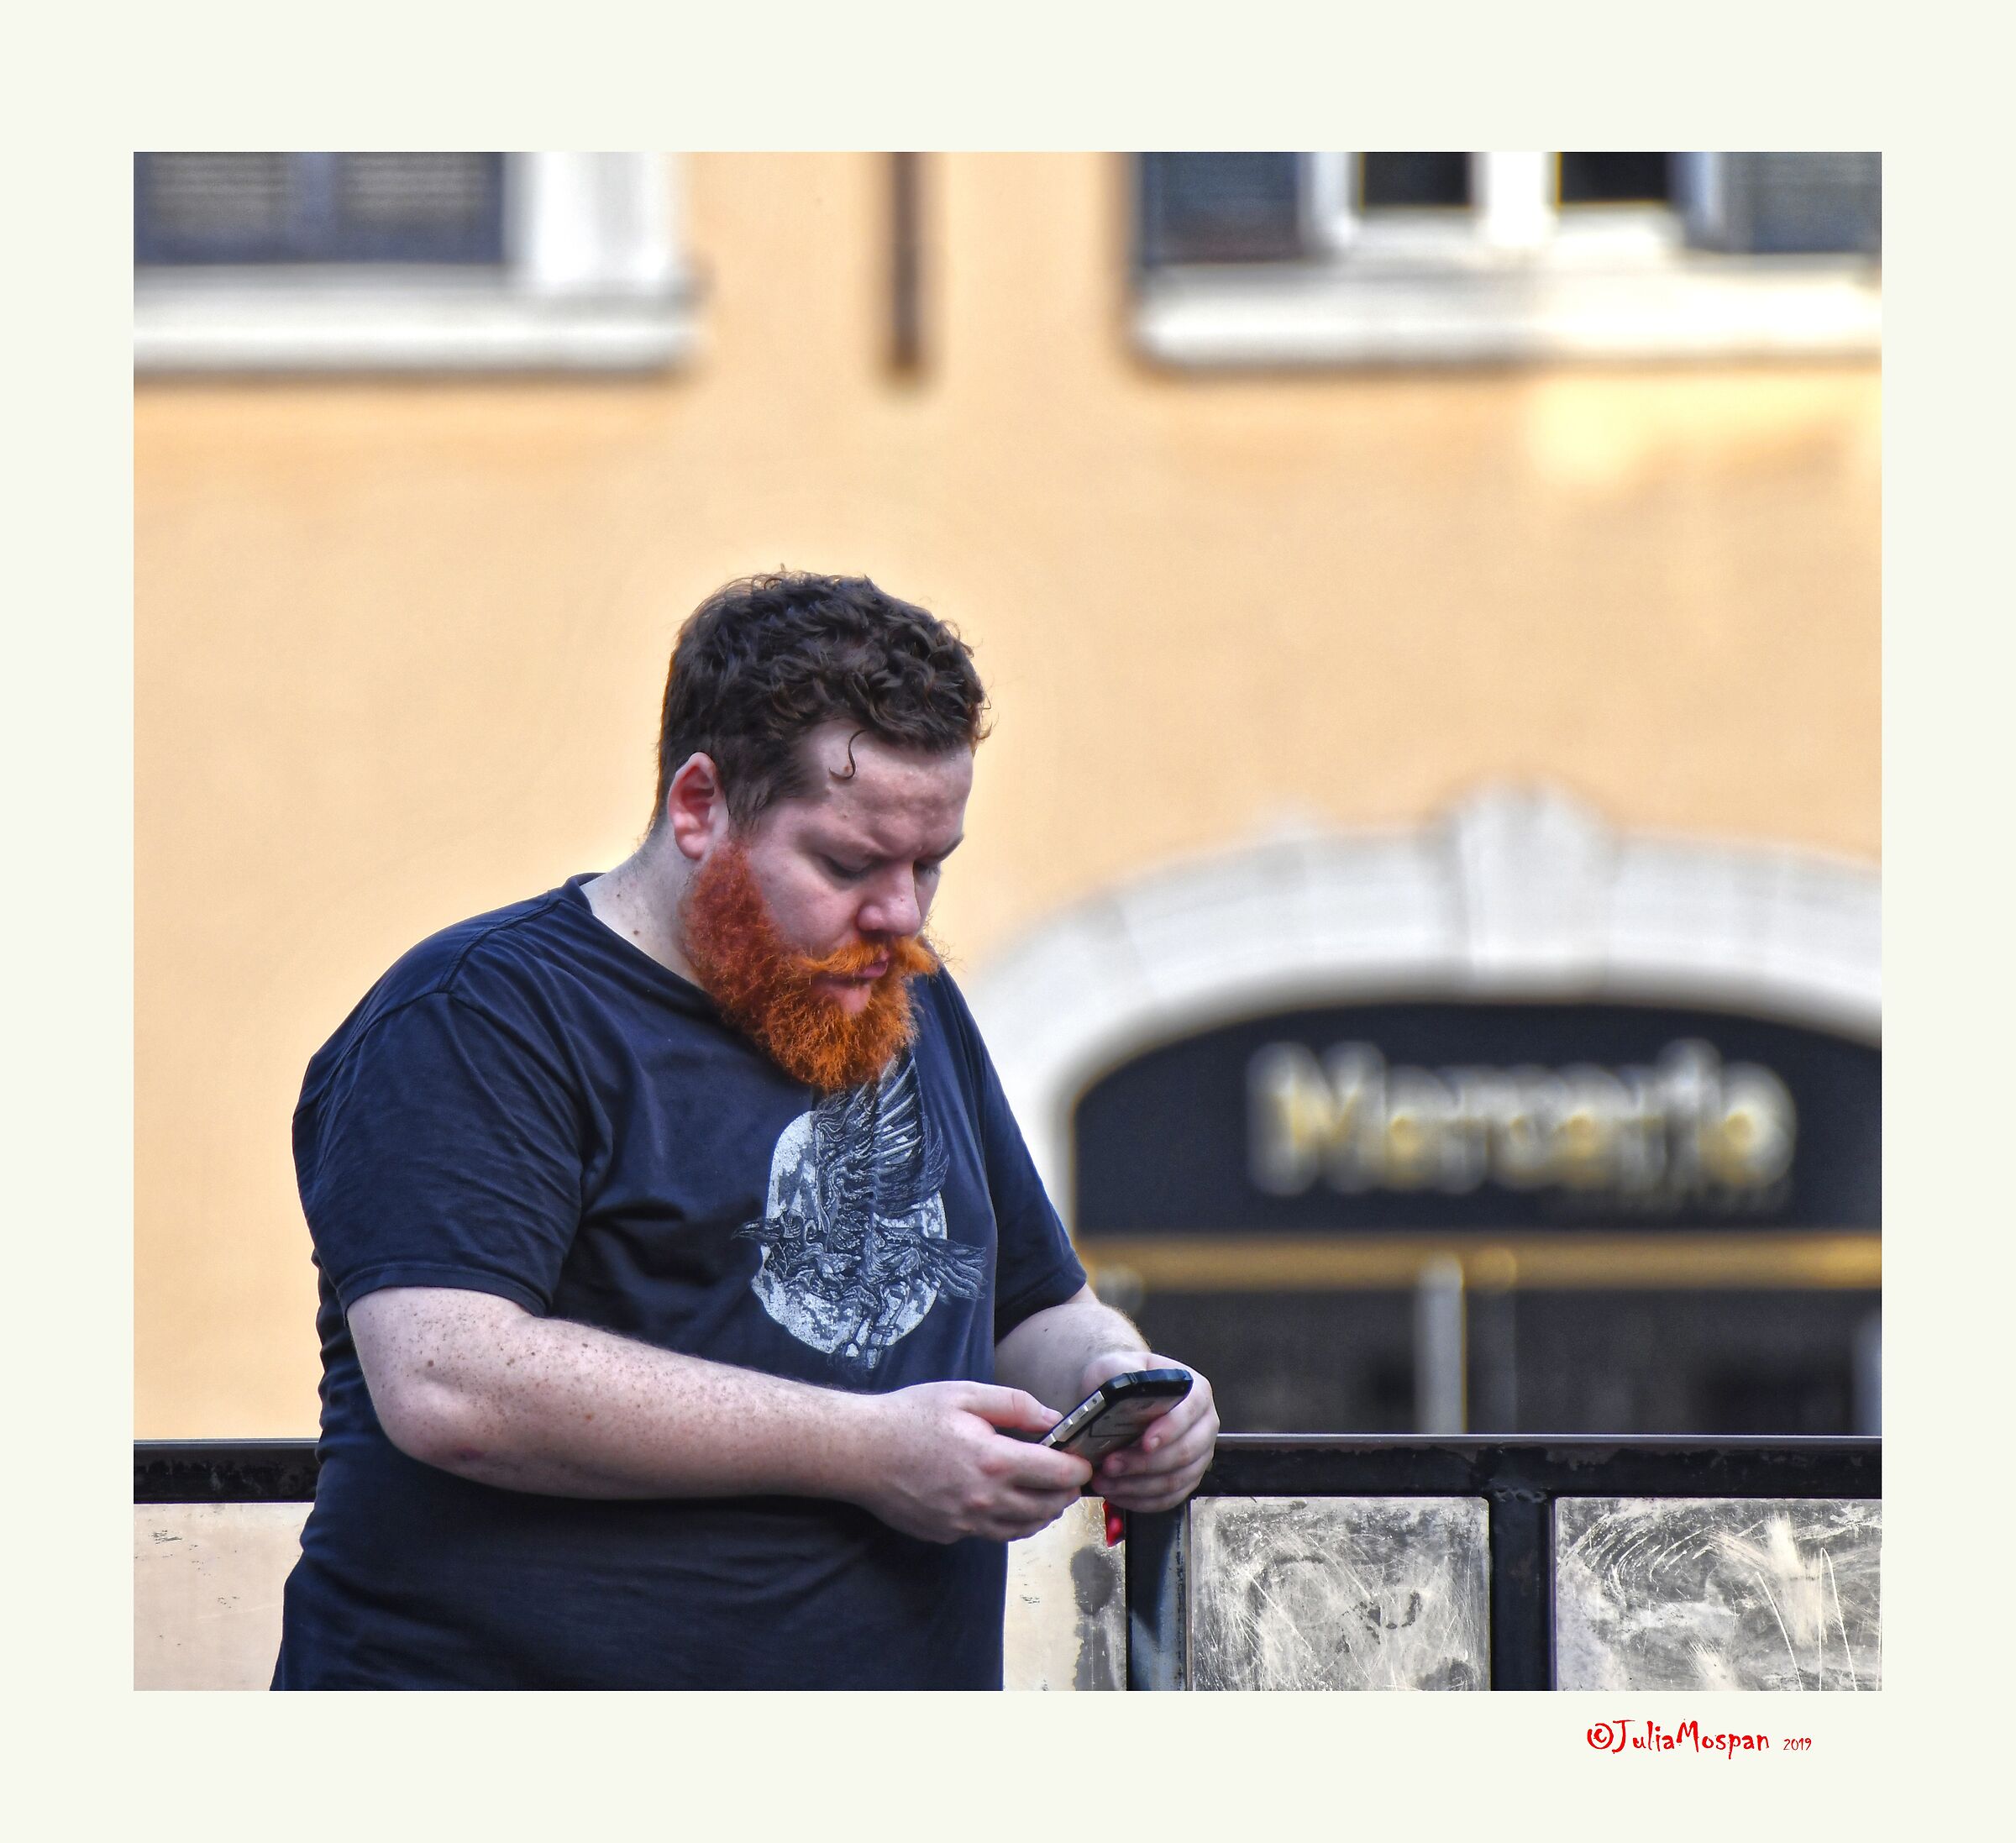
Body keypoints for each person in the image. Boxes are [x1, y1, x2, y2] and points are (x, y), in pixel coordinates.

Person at [272, 571, 1219, 1689]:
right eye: (848, 863)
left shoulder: (909, 1003)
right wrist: (868, 1448)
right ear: (699, 806)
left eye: (931, 864)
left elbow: (1030, 1308)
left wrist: (1123, 1380)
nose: (902, 914)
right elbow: (449, 1379)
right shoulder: (480, 1011)